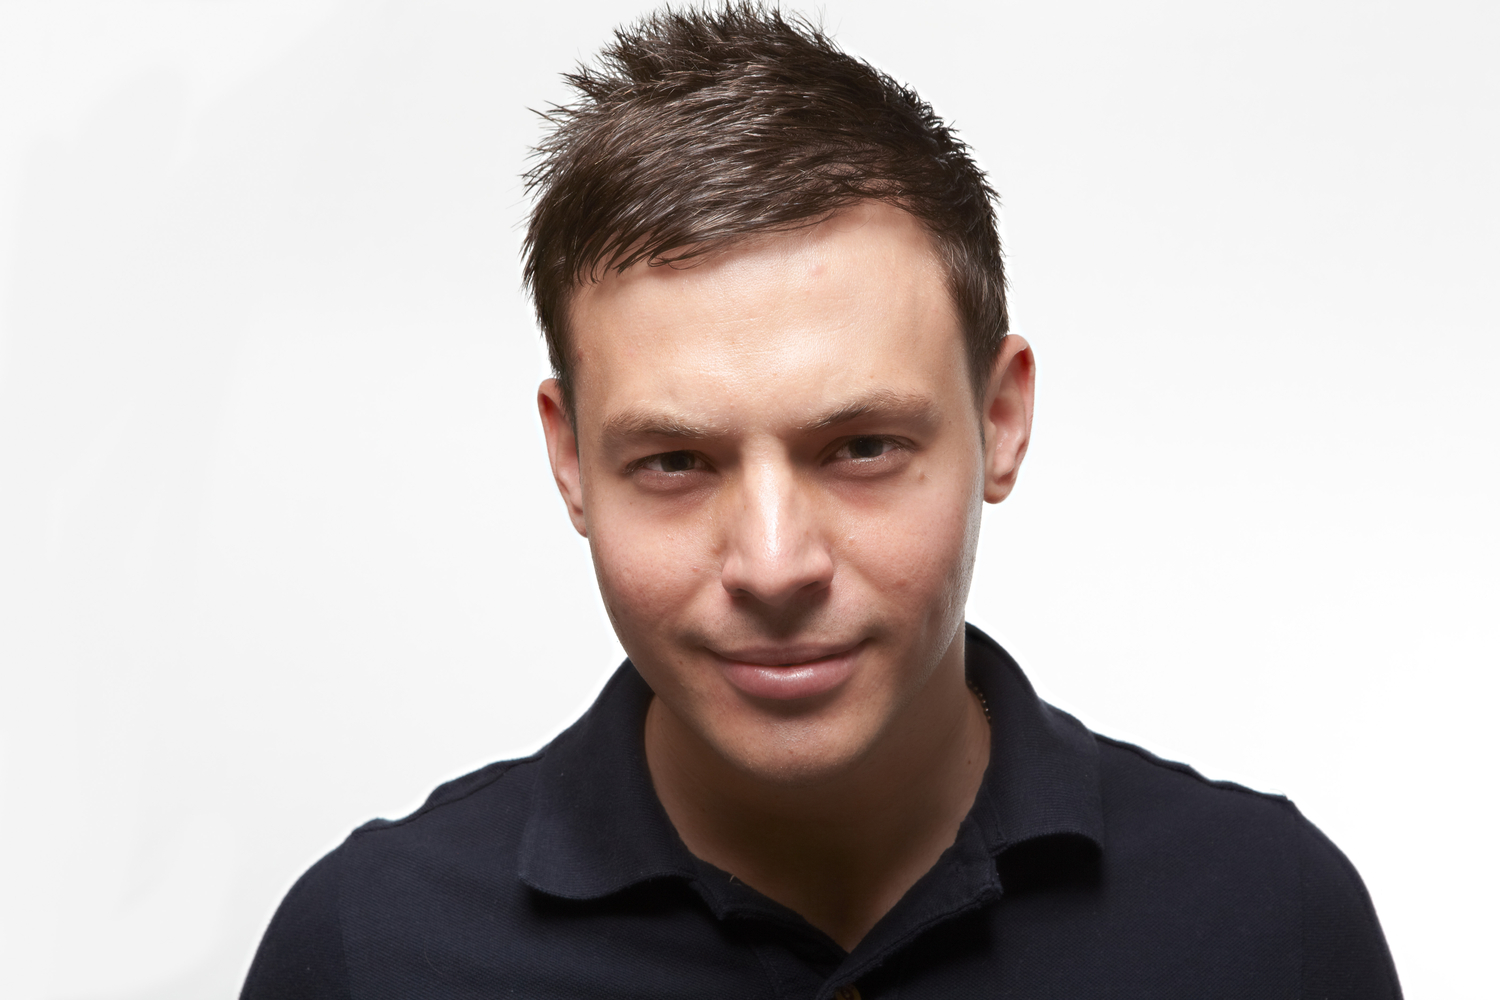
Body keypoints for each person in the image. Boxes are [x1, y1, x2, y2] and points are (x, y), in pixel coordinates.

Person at [241, 5, 1401, 997]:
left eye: (860, 446)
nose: (774, 563)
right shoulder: (368, 951)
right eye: (676, 461)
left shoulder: (1273, 922)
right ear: (572, 460)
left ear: (1001, 420)